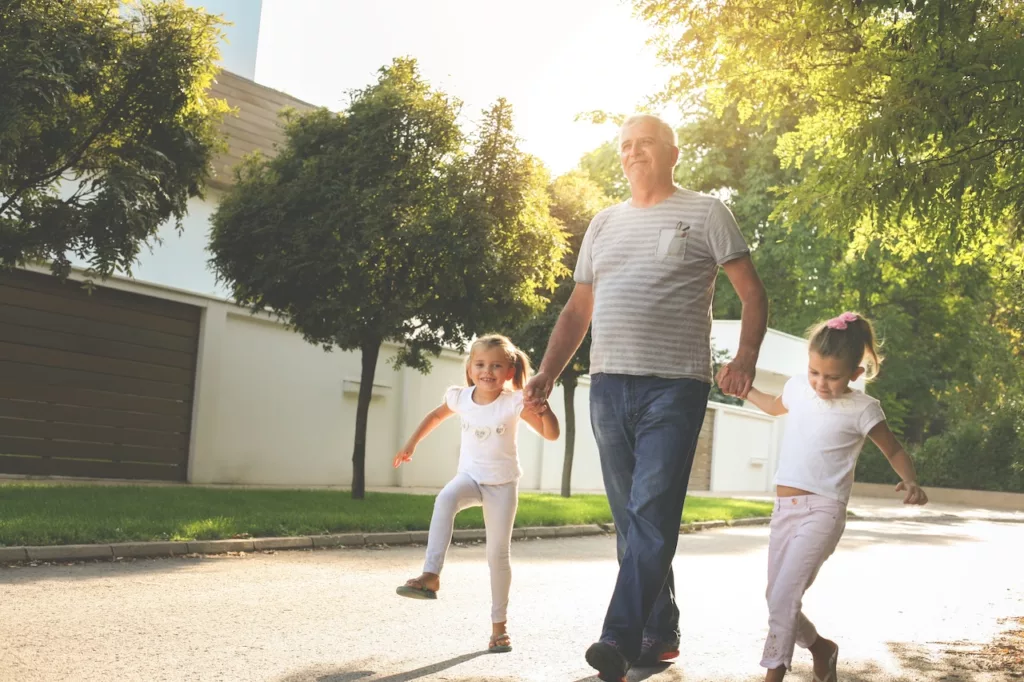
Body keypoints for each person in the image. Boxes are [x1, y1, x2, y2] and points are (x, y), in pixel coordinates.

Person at [524, 113, 768, 681]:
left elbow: (752, 293)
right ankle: (660, 633)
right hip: (609, 386)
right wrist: (545, 373)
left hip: (675, 386)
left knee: (652, 515)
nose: (634, 153)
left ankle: (619, 636)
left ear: (672, 153)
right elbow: (577, 310)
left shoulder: (706, 212)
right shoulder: (604, 223)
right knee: (635, 522)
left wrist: (746, 357)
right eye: (626, 146)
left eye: (646, 144)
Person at [734, 311, 929, 682]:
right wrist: (745, 390)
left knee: (784, 595)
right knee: (776, 596)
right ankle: (822, 648)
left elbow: (893, 450)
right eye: (815, 372)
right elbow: (775, 406)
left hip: (824, 510)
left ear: (856, 373)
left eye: (833, 377)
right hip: (785, 509)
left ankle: (773, 675)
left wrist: (911, 480)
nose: (821, 383)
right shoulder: (797, 388)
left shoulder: (864, 409)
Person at [392, 334, 560, 653]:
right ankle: (430, 575)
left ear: (509, 372)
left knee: (497, 555)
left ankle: (499, 629)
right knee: (445, 499)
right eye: (480, 364)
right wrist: (411, 443)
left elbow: (551, 434)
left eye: (496, 366)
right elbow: (435, 416)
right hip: (469, 477)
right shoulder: (460, 398)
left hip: (502, 485)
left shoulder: (514, 402)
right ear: (470, 369)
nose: (487, 371)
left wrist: (545, 410)